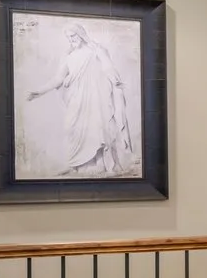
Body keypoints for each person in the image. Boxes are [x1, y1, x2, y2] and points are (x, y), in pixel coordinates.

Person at [24, 21, 136, 176]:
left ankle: (100, 165)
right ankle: (75, 164)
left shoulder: (96, 50)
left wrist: (115, 79)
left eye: (73, 36)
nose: (71, 40)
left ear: (81, 34)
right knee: (72, 128)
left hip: (95, 97)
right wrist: (40, 91)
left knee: (96, 129)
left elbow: (107, 66)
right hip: (76, 98)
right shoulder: (69, 56)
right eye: (68, 38)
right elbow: (58, 78)